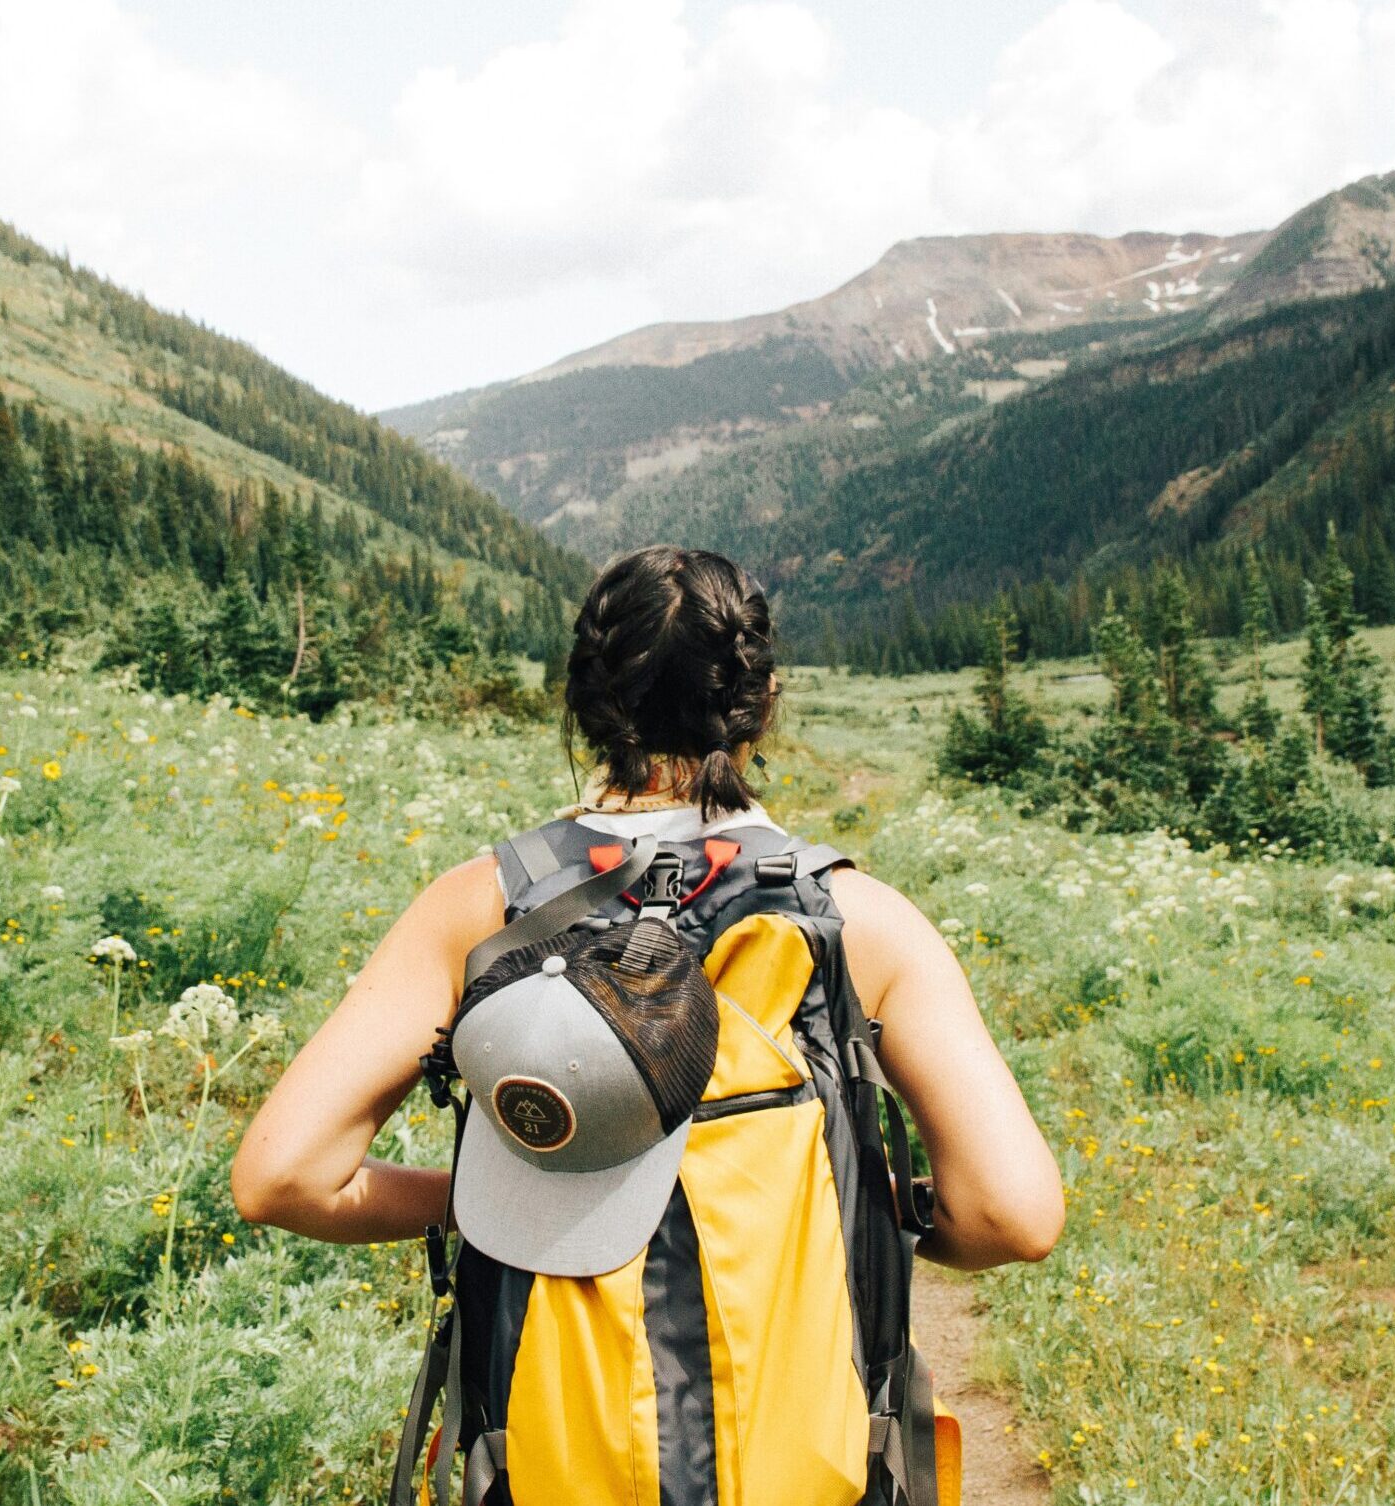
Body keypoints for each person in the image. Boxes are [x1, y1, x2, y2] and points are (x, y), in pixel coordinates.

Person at [232, 545, 1061, 1500]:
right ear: (764, 701)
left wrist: (491, 1200)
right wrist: (875, 1210)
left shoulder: (482, 908)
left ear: (584, 703)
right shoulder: (859, 922)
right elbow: (1015, 1213)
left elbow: (281, 1177)